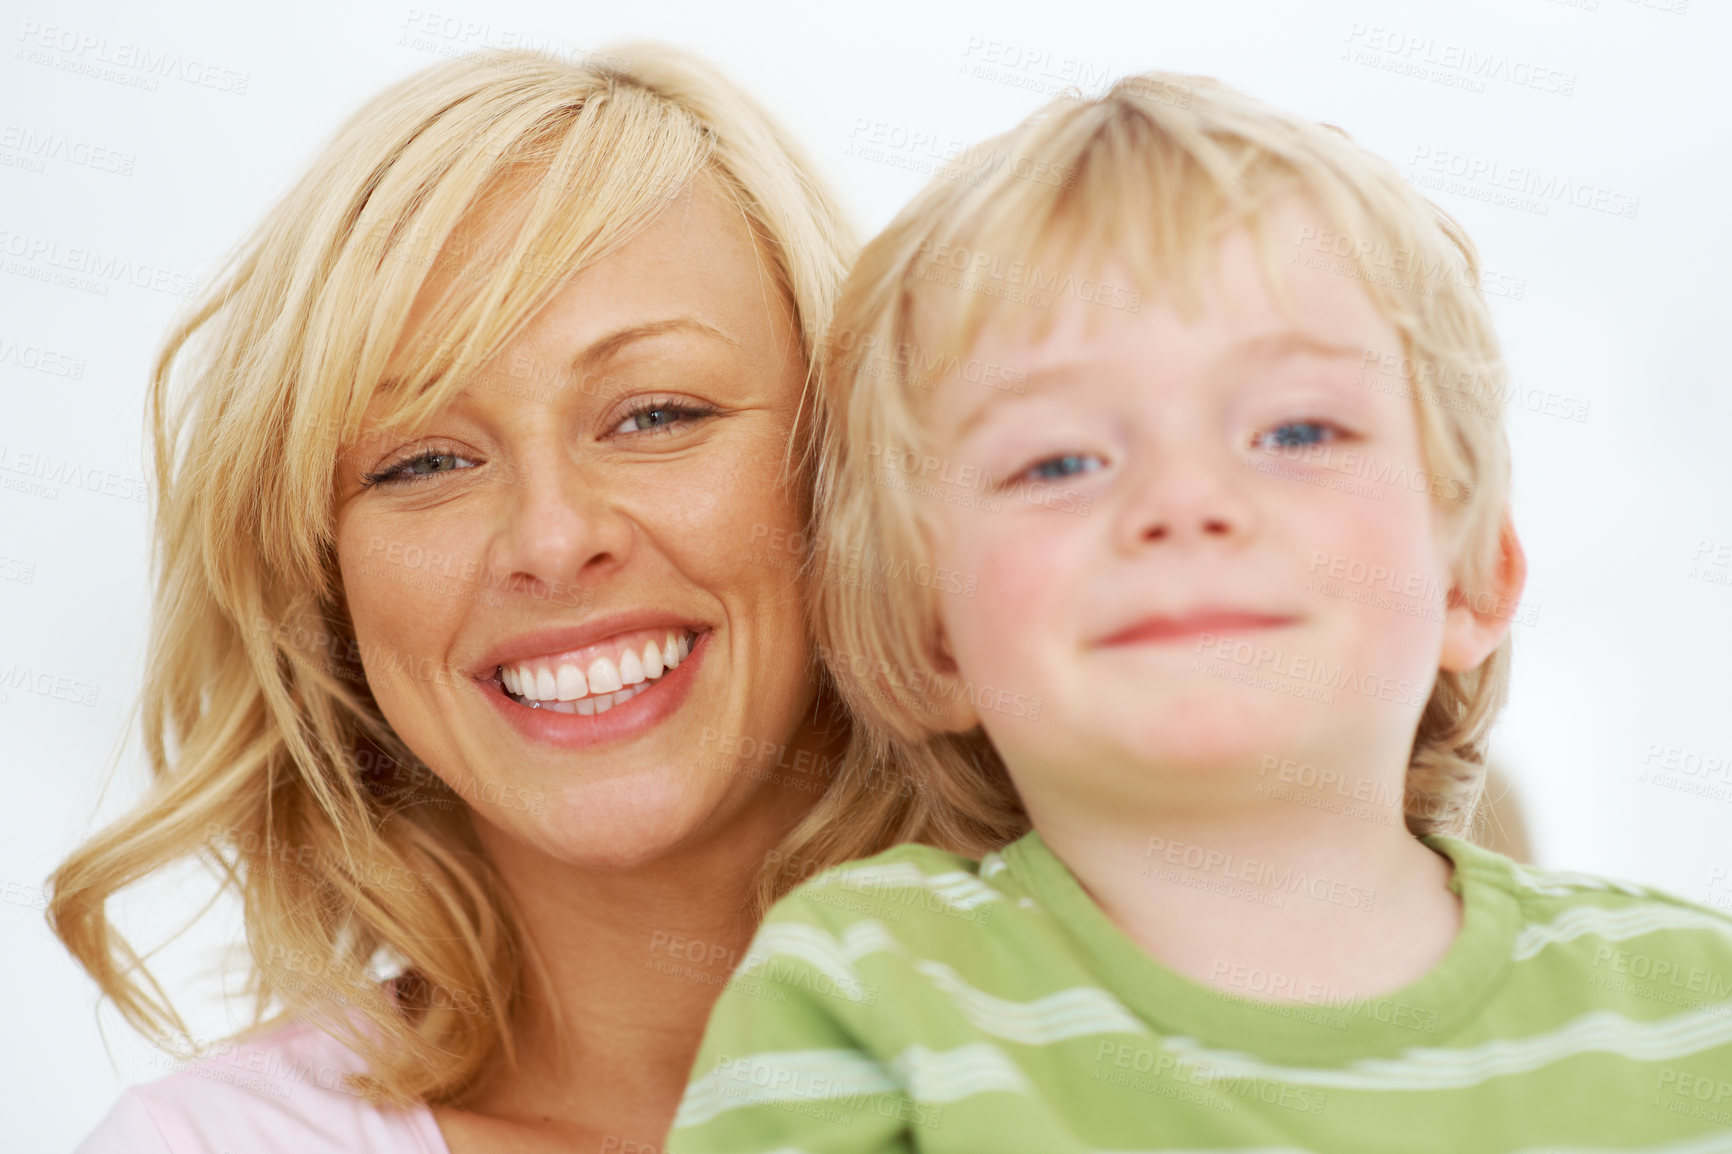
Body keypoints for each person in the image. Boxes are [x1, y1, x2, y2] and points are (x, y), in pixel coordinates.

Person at [667, 72, 1732, 1151]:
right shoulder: (865, 996)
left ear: (1472, 578)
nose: (1183, 502)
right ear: (924, 633)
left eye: (1298, 432)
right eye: (1060, 459)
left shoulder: (1696, 1001)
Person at [47, 46, 1021, 1154]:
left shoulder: (1170, 1034)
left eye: (655, 414)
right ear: (323, 592)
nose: (552, 541)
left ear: (843, 469)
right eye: (420, 462)